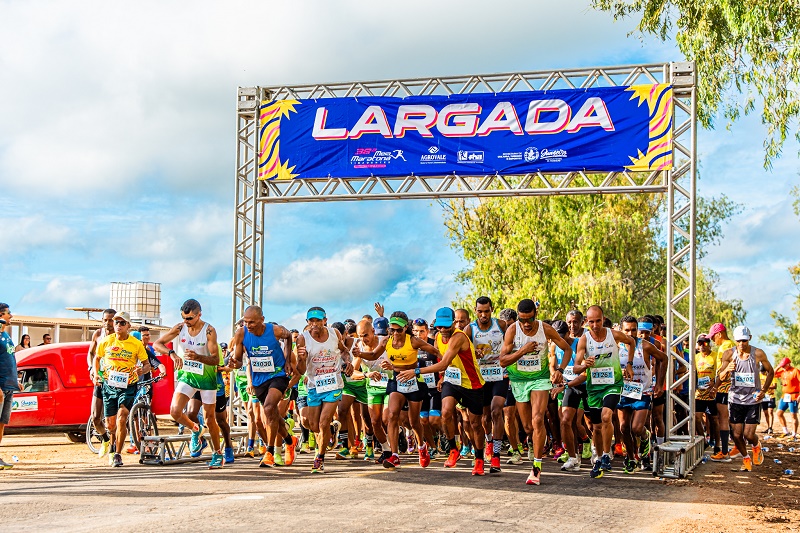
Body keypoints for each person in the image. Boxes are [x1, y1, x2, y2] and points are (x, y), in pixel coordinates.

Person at [398, 307, 487, 475]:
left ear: (453, 323)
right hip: (452, 381)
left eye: (446, 326)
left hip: (472, 383)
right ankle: (453, 449)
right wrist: (442, 377)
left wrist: (416, 371)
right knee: (445, 413)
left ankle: (479, 458)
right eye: (440, 326)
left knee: (475, 423)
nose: (443, 330)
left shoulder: (458, 337)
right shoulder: (438, 337)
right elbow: (441, 358)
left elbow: (444, 362)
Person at [499, 299, 573, 485]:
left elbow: (567, 349)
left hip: (540, 379)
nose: (526, 324)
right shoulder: (512, 330)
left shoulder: (545, 329)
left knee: (538, 419)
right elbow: (503, 361)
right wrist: (522, 351)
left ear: (536, 315)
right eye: (522, 319)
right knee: (528, 427)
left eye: (530, 319)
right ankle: (538, 439)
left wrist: (560, 370)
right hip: (519, 381)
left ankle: (536, 468)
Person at [154, 299, 225, 469]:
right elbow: (157, 344)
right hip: (187, 376)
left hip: (207, 379)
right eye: (184, 318)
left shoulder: (209, 330)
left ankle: (217, 454)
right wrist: (172, 354)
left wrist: (198, 357)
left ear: (199, 315)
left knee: (209, 419)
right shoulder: (180, 328)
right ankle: (195, 429)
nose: (186, 321)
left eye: (190, 318)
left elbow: (216, 360)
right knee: (175, 411)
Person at [364, 311, 440, 469]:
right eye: (392, 329)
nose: (396, 333)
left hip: (414, 381)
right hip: (397, 379)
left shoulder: (413, 341)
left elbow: (435, 351)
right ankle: (395, 455)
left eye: (399, 329)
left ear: (406, 328)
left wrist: (450, 357)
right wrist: (359, 353)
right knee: (392, 415)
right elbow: (373, 355)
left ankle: (422, 447)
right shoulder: (387, 340)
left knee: (414, 422)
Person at [573, 305, 636, 479]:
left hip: (612, 384)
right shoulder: (584, 340)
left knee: (606, 416)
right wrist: (584, 365)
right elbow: (576, 368)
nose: (595, 325)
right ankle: (599, 458)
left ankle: (607, 455)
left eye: (598, 321)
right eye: (591, 322)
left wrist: (629, 364)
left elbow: (631, 342)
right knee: (596, 427)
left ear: (603, 319)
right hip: (594, 387)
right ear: (586, 322)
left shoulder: (613, 335)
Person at [231, 305, 296, 468]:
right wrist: (233, 363)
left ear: (262, 320)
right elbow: (238, 361)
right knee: (273, 414)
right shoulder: (241, 333)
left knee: (268, 408)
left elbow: (289, 337)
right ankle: (290, 440)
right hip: (259, 379)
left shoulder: (275, 330)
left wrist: (287, 360)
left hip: (278, 374)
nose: (248, 325)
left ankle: (270, 452)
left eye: (252, 322)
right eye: (246, 322)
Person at [295, 307, 354, 474]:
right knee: (313, 424)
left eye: (318, 320)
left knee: (323, 422)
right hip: (314, 385)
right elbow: (300, 370)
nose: (315, 324)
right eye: (311, 321)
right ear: (307, 322)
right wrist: (301, 359)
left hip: (333, 384)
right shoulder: (303, 338)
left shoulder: (334, 333)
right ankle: (332, 430)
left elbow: (344, 351)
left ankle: (319, 458)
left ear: (325, 321)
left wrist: (347, 362)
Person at [93, 312, 151, 467]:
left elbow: (147, 364)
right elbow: (97, 359)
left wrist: (142, 370)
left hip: (128, 385)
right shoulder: (106, 341)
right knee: (110, 425)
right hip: (109, 385)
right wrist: (96, 374)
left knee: (122, 417)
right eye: (116, 322)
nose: (118, 325)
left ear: (128, 326)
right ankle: (111, 444)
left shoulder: (136, 344)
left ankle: (118, 454)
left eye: (122, 323)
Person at [717, 326, 773, 472]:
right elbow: (721, 377)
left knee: (748, 434)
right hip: (735, 399)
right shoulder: (728, 354)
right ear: (735, 340)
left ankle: (756, 445)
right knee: (736, 435)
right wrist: (727, 369)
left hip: (753, 399)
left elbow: (770, 372)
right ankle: (746, 459)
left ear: (750, 339)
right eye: (739, 341)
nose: (741, 344)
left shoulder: (758, 353)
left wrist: (763, 391)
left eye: (744, 340)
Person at [616, 316, 666, 474]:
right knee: (624, 427)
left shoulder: (644, 345)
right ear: (621, 330)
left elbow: (663, 359)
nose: (630, 333)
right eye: (627, 330)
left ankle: (645, 436)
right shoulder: (616, 347)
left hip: (642, 391)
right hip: (623, 391)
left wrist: (659, 384)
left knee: (636, 428)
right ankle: (631, 459)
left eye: (633, 330)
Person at [463, 296, 508, 474]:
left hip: (499, 374)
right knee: (484, 418)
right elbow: (462, 351)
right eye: (480, 311)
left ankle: (496, 455)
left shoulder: (501, 325)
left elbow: (511, 345)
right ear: (475, 311)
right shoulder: (469, 329)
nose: (483, 315)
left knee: (496, 411)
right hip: (480, 377)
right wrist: (474, 353)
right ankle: (489, 440)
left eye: (486, 311)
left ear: (492, 310)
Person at [87, 309, 116, 457]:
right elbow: (91, 353)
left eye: (111, 320)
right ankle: (105, 439)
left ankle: (113, 450)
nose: (108, 323)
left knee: (113, 420)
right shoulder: (98, 334)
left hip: (115, 380)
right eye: (105, 320)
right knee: (95, 417)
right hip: (100, 378)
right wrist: (91, 368)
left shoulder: (121, 336)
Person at [708, 322, 737, 462]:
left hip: (725, 387)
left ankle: (725, 452)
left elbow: (725, 369)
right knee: (727, 418)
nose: (713, 340)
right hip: (725, 386)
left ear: (719, 334)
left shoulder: (726, 346)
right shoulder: (729, 345)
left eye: (713, 337)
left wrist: (715, 385)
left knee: (724, 419)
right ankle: (734, 447)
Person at [0, 303, 20, 469]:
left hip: (9, 385)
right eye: (8, 313)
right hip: (0, 386)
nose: (11, 316)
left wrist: (15, 379)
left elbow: (10, 358)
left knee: (2, 423)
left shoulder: (6, 335)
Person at [694, 334, 720, 453]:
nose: (702, 346)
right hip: (699, 393)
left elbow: (720, 372)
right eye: (700, 343)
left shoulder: (715, 356)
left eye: (704, 343)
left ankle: (717, 444)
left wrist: (715, 383)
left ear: (709, 344)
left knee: (714, 419)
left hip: (712, 392)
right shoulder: (696, 357)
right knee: (696, 418)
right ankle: (703, 440)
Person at [774, 357, 800, 437]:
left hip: (794, 395)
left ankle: (794, 434)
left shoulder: (795, 371)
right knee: (779, 413)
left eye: (784, 365)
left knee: (793, 415)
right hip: (785, 395)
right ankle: (785, 431)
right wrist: (778, 366)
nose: (783, 367)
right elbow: (773, 374)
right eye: (782, 366)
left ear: (788, 364)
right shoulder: (783, 372)